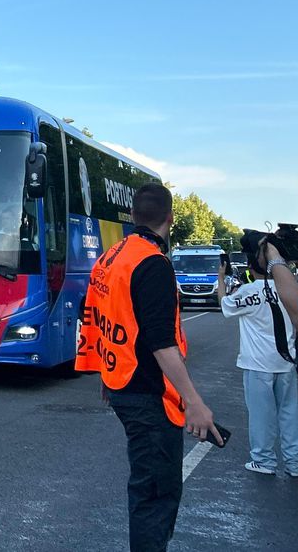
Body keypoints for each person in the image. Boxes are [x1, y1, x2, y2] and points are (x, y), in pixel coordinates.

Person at [76, 183, 220, 552]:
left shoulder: (111, 256)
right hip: (148, 396)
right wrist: (194, 402)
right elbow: (161, 342)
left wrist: (106, 377)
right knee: (156, 496)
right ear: (170, 219)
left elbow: (95, 318)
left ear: (133, 216)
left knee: (146, 487)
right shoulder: (152, 263)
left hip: (122, 386)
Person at [216, 233, 298, 477]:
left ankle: (264, 460)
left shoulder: (249, 292)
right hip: (286, 363)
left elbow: (224, 305)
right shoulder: (290, 290)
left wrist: (221, 278)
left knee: (261, 415)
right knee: (290, 414)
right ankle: (296, 463)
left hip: (257, 365)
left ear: (250, 264)